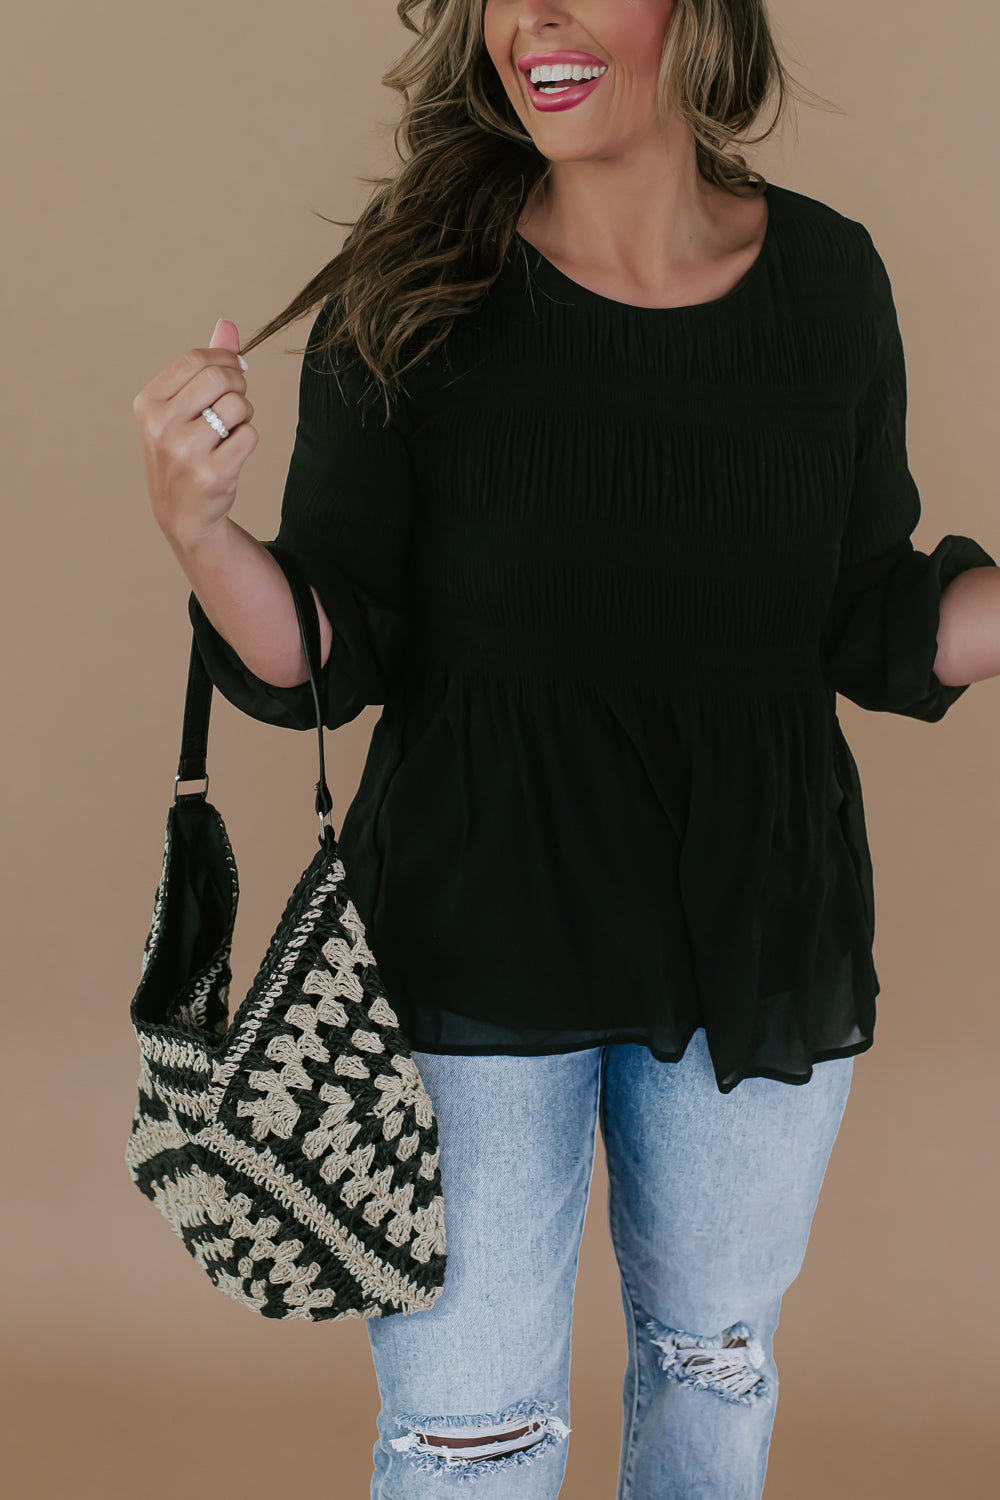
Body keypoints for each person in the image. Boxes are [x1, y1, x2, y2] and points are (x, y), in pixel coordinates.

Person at [131, 3, 998, 1496]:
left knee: (711, 1368)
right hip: (472, 929)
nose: (533, 12)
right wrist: (200, 532)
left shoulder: (830, 279)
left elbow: (868, 617)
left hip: (751, 930)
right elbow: (332, 649)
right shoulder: (412, 287)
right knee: (467, 1435)